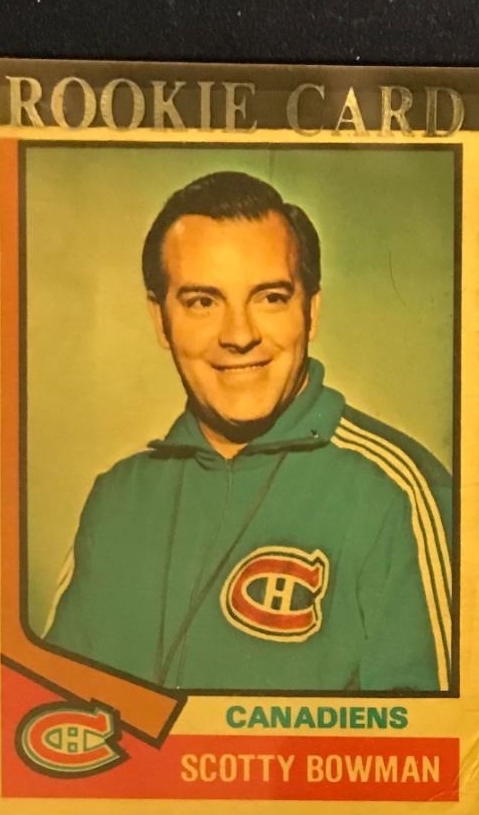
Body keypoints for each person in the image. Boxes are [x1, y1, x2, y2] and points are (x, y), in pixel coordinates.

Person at [44, 170, 452, 692]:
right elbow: (53, 718)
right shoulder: (118, 499)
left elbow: (443, 739)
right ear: (160, 320)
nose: (239, 335)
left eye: (270, 298)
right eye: (202, 302)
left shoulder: (398, 494)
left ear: (311, 312)